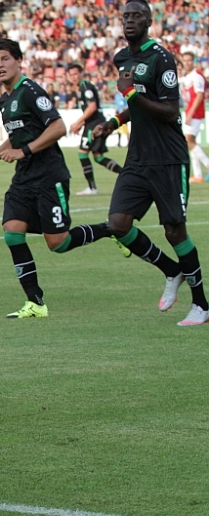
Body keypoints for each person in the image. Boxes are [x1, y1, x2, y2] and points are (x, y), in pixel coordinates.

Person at [0, 40, 119, 319]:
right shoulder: (5, 100)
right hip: (24, 178)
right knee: (12, 232)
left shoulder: (30, 91)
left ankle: (111, 230)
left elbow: (58, 127)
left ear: (19, 61)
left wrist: (24, 151)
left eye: (5, 58)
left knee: (58, 243)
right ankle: (35, 302)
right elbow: (15, 138)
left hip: (49, 176)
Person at [93, 1, 209, 326]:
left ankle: (201, 305)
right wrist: (114, 122)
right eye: (126, 16)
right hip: (138, 158)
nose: (130, 20)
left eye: (136, 16)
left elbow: (170, 111)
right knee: (118, 224)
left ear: (148, 21)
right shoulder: (121, 58)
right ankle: (171, 271)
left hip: (168, 157)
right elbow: (137, 105)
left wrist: (130, 93)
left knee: (174, 231)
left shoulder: (161, 58)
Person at [67, 63, 123, 195]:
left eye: (76, 74)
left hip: (95, 125)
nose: (74, 77)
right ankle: (125, 174)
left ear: (81, 73)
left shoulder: (86, 87)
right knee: (98, 157)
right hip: (95, 123)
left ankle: (92, 188)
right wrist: (82, 123)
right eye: (71, 75)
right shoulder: (83, 87)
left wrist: (77, 122)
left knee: (82, 153)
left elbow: (92, 107)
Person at [180, 52, 209, 184]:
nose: (187, 63)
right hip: (190, 111)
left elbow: (199, 95)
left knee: (188, 140)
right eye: (185, 60)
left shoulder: (197, 76)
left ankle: (207, 164)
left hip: (195, 113)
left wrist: (191, 113)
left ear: (194, 61)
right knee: (190, 142)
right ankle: (198, 175)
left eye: (189, 60)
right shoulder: (188, 76)